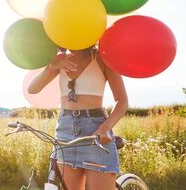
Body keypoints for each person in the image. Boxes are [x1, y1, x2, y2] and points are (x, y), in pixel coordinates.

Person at [27, 46, 128, 190]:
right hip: (65, 130)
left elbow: (122, 101)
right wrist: (51, 67)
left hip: (95, 128)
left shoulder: (103, 57)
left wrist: (105, 128)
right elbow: (33, 88)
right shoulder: (60, 59)